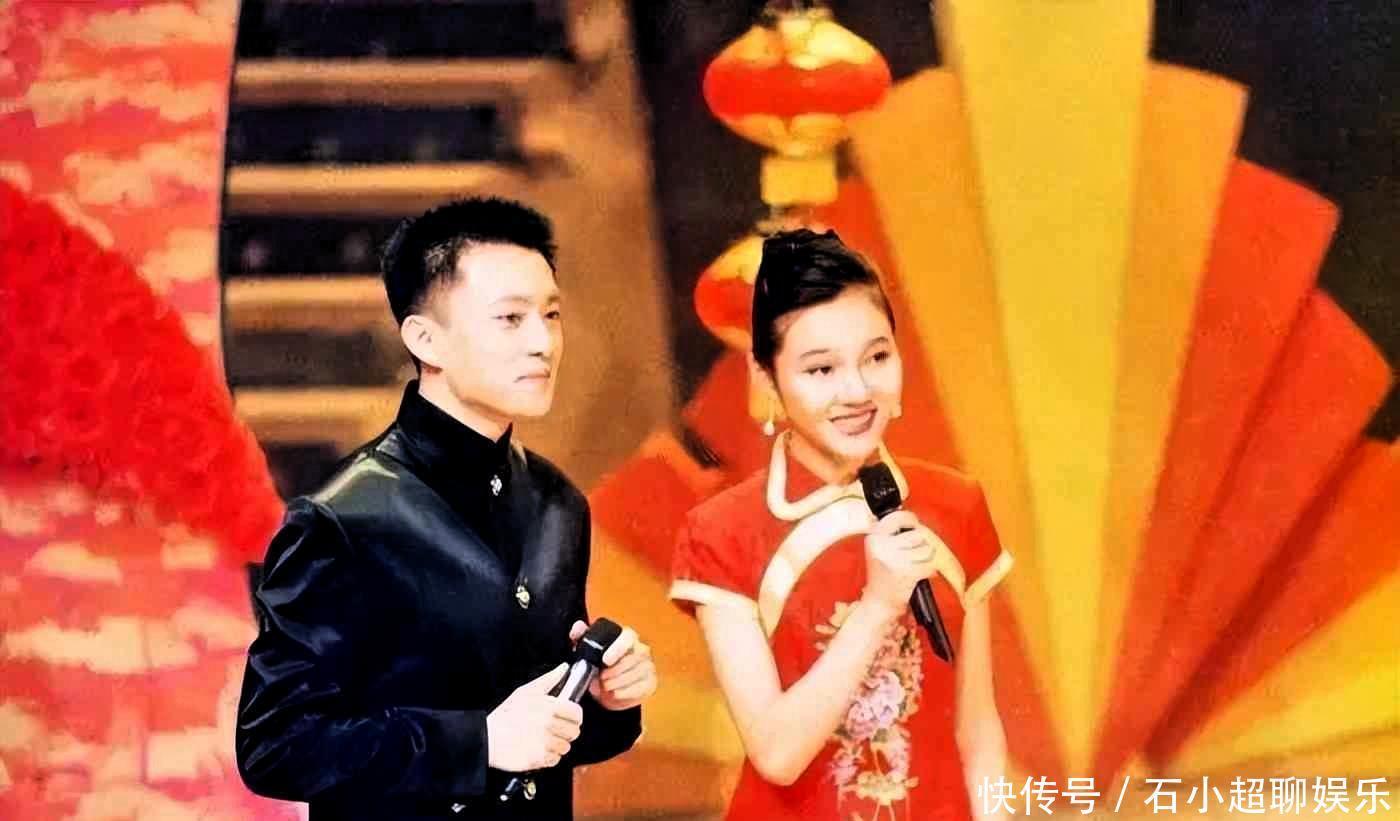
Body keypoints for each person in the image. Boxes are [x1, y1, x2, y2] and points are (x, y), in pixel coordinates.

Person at [236, 197, 658, 821]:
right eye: (510, 318)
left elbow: (538, 736)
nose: (543, 342)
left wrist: (607, 701)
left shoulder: (558, 502)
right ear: (425, 339)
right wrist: (478, 742)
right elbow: (276, 744)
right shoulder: (344, 520)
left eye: (551, 314)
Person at [669, 228, 1012, 821]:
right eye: (821, 369)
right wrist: (878, 605)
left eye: (877, 357)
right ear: (768, 378)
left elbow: (977, 731)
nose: (857, 391)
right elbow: (777, 753)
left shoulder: (955, 505)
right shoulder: (721, 533)